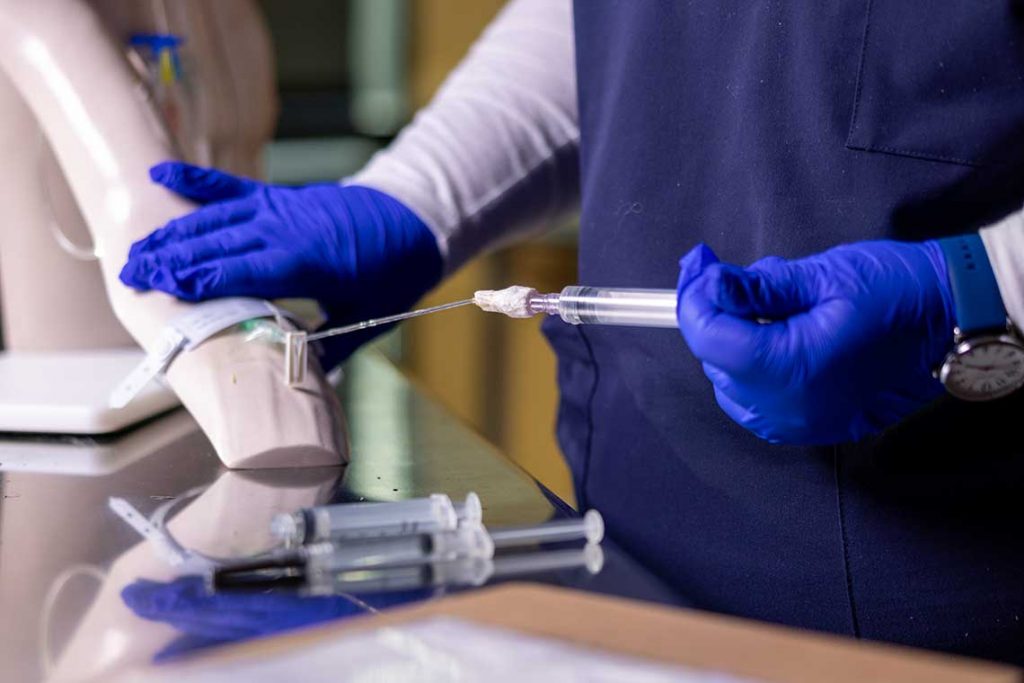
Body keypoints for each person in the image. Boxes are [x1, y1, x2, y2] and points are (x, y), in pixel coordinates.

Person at [119, 1, 1024, 664]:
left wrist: (983, 287)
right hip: (624, 538)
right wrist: (420, 196)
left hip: (945, 591)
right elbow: (619, 26)